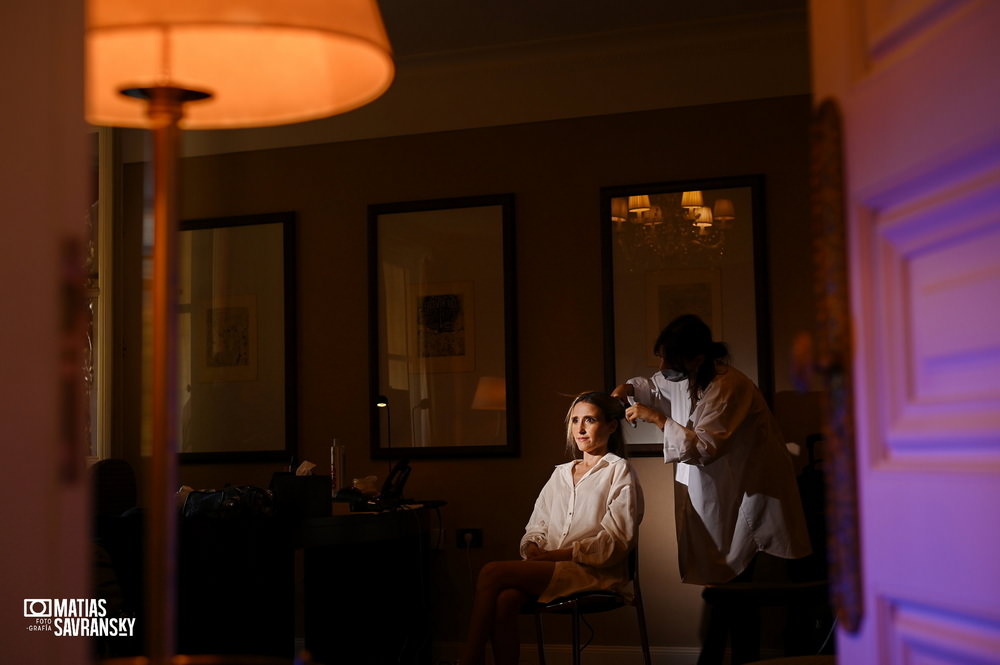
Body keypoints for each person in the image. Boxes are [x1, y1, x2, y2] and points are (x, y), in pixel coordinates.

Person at [611, 314, 811, 664]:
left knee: (738, 596)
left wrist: (657, 418)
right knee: (729, 595)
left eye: (668, 359)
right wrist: (628, 389)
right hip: (727, 500)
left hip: (756, 501)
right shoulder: (692, 376)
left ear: (696, 358)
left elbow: (702, 447)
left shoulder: (729, 386)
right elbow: (656, 385)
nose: (662, 366)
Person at [458, 391, 644, 665]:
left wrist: (554, 556)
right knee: (506, 599)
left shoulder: (619, 471)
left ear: (611, 426)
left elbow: (615, 542)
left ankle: (469, 660)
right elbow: (537, 524)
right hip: (553, 567)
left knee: (491, 571)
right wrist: (533, 546)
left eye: (589, 420)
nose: (579, 429)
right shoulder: (560, 473)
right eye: (574, 420)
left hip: (596, 572)